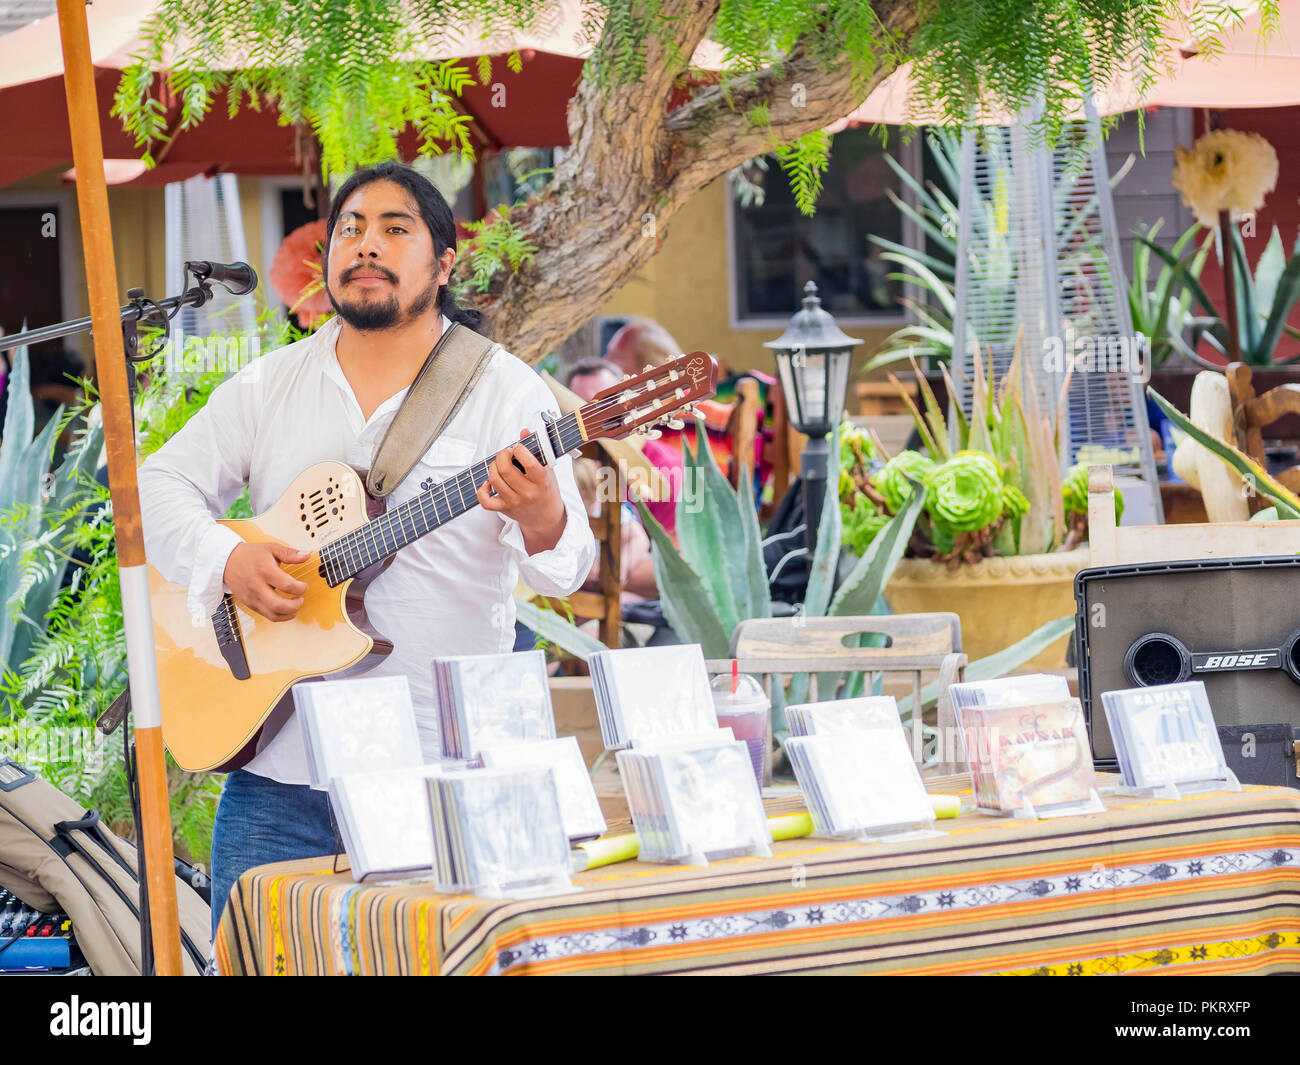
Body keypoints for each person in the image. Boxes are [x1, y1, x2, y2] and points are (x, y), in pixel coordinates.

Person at [137, 162, 595, 936]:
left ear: (444, 264)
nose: (365, 245)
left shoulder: (505, 391)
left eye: (394, 228)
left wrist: (544, 510)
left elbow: (568, 562)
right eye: (349, 228)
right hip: (284, 771)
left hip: (442, 771)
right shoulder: (271, 383)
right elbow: (157, 484)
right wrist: (225, 559)